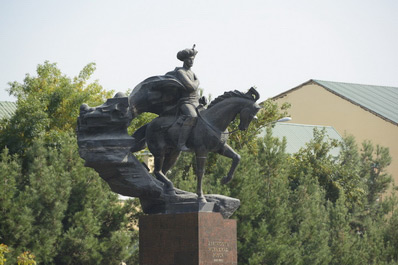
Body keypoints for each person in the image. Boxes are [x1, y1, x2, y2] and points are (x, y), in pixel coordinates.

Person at [166, 45, 200, 151]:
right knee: (192, 116)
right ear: (184, 60)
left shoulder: (192, 73)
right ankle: (181, 144)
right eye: (189, 59)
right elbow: (191, 87)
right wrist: (198, 81)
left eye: (193, 60)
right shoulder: (181, 72)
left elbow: (195, 90)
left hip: (196, 102)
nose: (191, 62)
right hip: (186, 102)